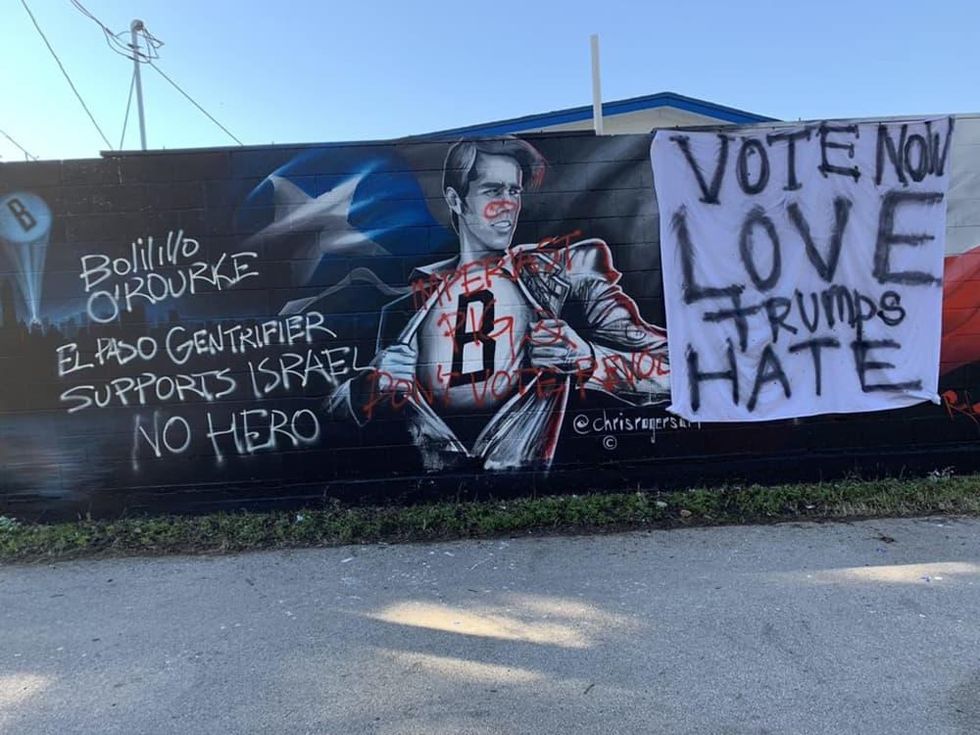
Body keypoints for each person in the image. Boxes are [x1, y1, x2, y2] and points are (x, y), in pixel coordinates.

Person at [328, 137, 670, 470]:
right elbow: (330, 420)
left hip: (546, 491)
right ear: (456, 199)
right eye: (493, 190)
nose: (508, 204)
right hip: (437, 496)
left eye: (514, 191)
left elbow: (671, 373)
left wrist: (589, 359)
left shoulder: (567, 275)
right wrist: (369, 386)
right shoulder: (405, 310)